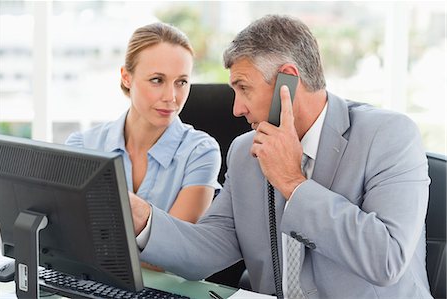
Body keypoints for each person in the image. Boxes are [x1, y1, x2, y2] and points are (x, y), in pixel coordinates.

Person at [132, 15, 432, 298]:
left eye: (244, 88)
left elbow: (387, 260)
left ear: (286, 81)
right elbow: (207, 250)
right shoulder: (244, 152)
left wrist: (292, 181)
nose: (237, 109)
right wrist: (143, 220)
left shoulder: (389, 136)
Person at [66, 23, 221, 233]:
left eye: (181, 82)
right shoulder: (83, 146)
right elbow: (70, 236)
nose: (171, 97)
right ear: (126, 77)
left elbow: (174, 245)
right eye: (157, 80)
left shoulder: (200, 152)